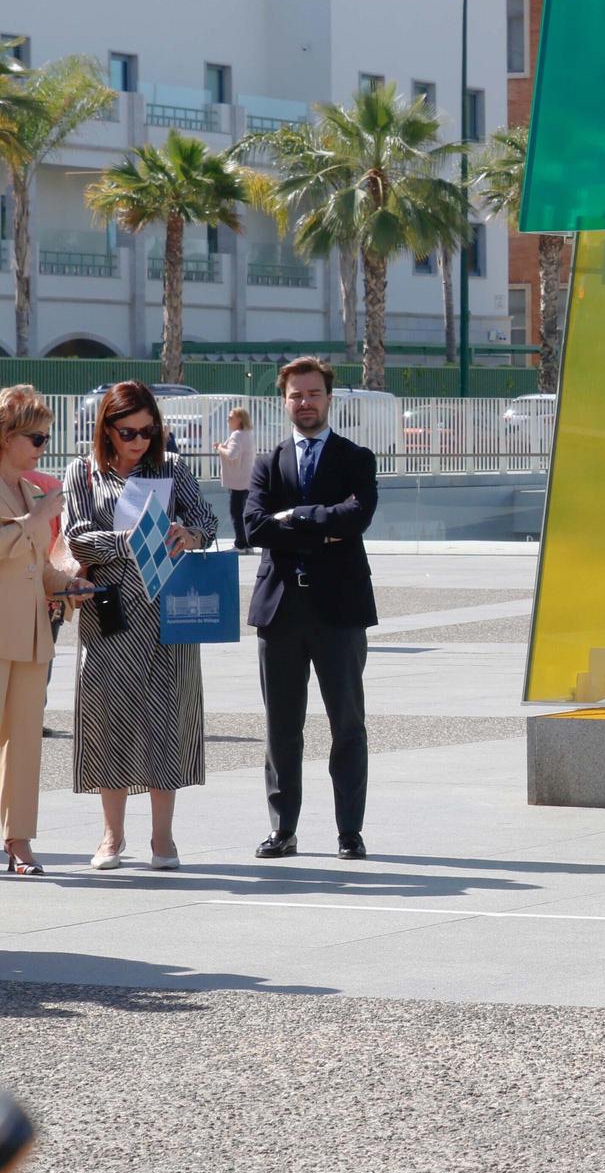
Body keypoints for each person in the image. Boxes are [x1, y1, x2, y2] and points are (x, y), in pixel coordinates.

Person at [64, 380, 216, 872]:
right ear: (106, 429)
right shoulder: (81, 474)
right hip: (110, 614)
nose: (139, 442)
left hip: (167, 612)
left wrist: (188, 534)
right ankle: (111, 836)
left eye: (148, 431)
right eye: (128, 431)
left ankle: (163, 838)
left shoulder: (173, 468)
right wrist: (132, 541)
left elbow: (207, 523)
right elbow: (79, 540)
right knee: (109, 720)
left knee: (165, 719)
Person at [244, 357, 380, 861]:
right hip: (279, 611)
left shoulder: (355, 458)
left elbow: (357, 516)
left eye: (314, 393)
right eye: (296, 394)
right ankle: (283, 829)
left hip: (339, 610)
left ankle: (349, 830)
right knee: (282, 727)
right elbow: (255, 526)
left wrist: (297, 517)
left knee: (347, 724)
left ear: (329, 398)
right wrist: (323, 530)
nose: (305, 402)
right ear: (285, 401)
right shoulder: (267, 462)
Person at [0, 387, 76, 875]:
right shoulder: (35, 503)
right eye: (35, 436)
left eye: (46, 436)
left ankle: (19, 841)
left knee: (25, 742)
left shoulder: (31, 490)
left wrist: (70, 583)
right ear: (5, 436)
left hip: (31, 632)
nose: (43, 445)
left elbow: (35, 563)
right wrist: (38, 519)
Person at [216, 407, 254, 551]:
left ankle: (240, 544)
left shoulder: (237, 435)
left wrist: (220, 447)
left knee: (236, 513)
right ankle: (247, 543)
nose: (228, 420)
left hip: (238, 481)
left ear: (240, 420)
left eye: (231, 417)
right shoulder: (248, 434)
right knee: (243, 512)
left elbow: (232, 454)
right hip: (247, 479)